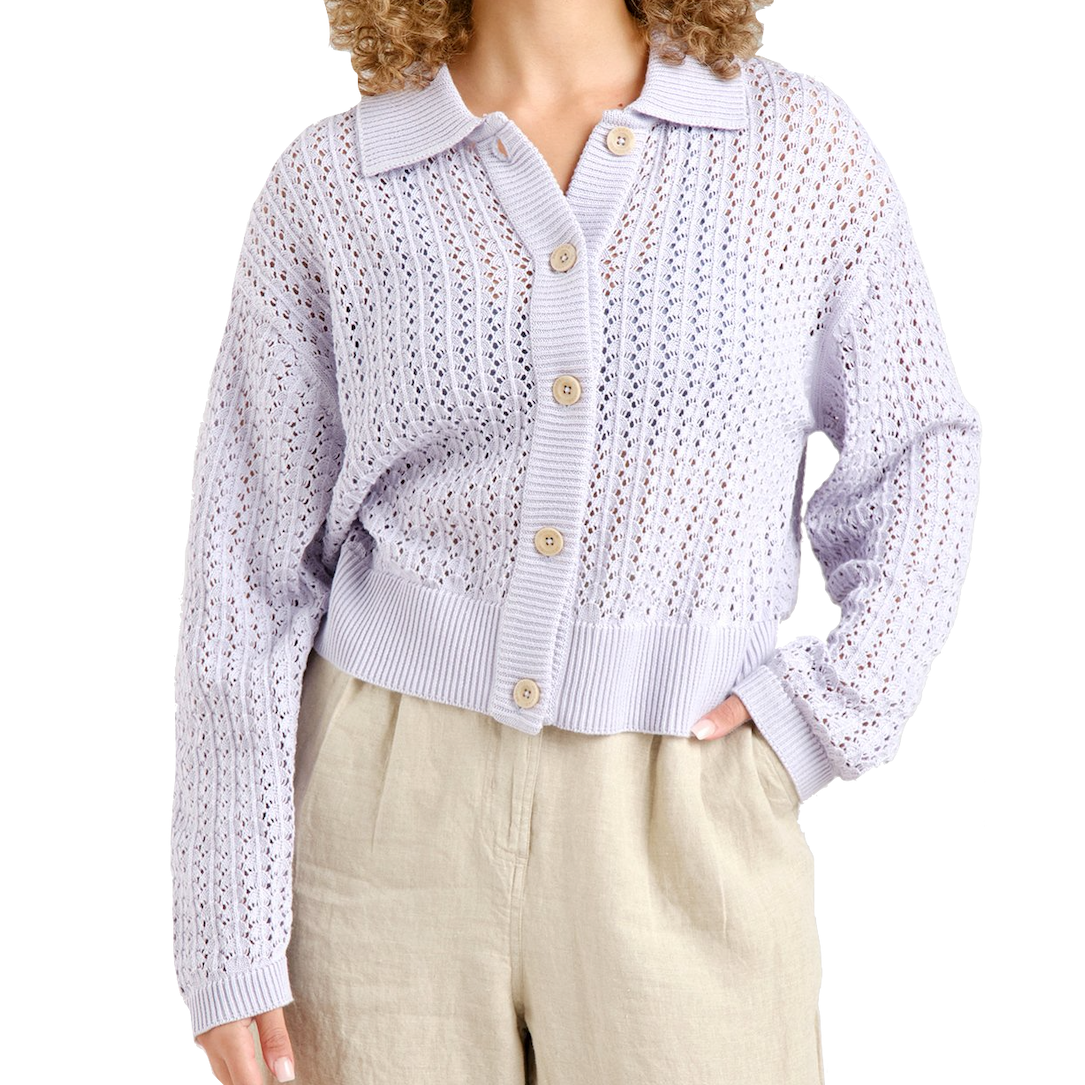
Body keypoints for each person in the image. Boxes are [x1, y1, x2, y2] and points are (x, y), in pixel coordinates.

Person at [171, 1, 981, 1083]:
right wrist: (225, 928)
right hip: (380, 826)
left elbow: (920, 448)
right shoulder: (334, 183)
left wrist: (821, 713)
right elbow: (247, 573)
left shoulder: (797, 153)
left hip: (686, 813)